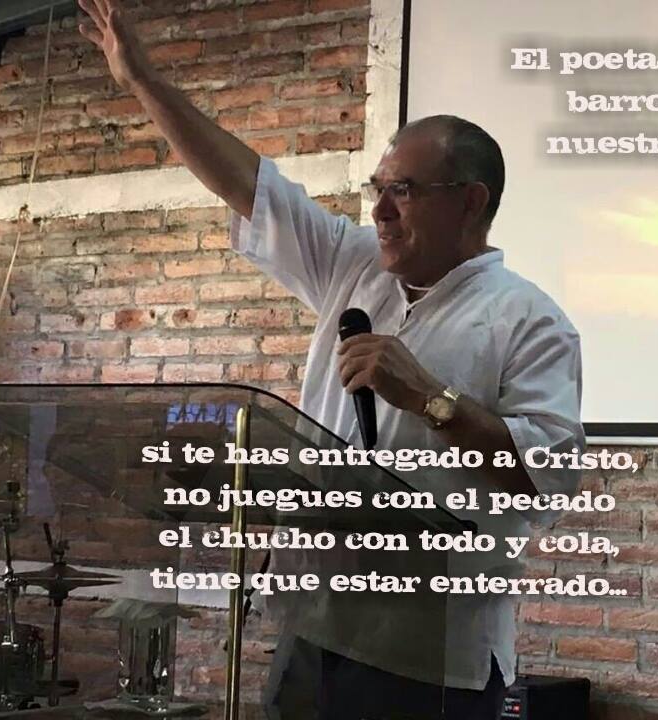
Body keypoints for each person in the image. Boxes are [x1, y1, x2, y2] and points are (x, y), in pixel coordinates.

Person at [78, 1, 585, 718]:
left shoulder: (530, 320)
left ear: (471, 202)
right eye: (378, 189)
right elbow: (249, 186)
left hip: (426, 654)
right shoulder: (354, 265)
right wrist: (143, 82)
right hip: (311, 628)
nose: (380, 210)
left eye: (403, 190)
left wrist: (431, 400)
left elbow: (545, 479)